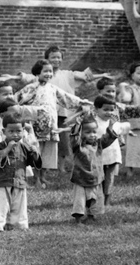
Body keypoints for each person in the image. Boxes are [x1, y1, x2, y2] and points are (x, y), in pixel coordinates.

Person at [16, 59, 91, 188]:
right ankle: (36, 179)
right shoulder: (31, 88)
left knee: (48, 153)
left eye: (50, 71)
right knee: (36, 151)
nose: (49, 74)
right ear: (37, 73)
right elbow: (17, 100)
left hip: (51, 126)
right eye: (45, 71)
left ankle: (43, 177)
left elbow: (67, 98)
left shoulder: (52, 88)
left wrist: (82, 103)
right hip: (35, 126)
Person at [0, 113, 42, 233]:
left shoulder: (24, 146)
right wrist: (7, 149)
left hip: (19, 180)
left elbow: (33, 163)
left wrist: (34, 153)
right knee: (0, 204)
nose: (15, 134)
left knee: (19, 204)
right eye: (11, 131)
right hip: (3, 180)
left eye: (18, 131)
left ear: (23, 131)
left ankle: (17, 224)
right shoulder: (0, 145)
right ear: (4, 131)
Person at [69, 113, 127, 223]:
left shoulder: (98, 144)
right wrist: (77, 126)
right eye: (88, 132)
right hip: (80, 178)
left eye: (94, 132)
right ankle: (78, 219)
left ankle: (91, 216)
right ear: (81, 134)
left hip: (95, 178)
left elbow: (108, 138)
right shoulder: (78, 146)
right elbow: (74, 139)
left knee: (94, 198)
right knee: (79, 201)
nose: (92, 135)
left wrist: (111, 126)